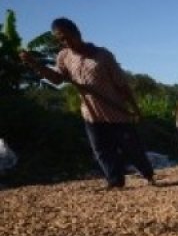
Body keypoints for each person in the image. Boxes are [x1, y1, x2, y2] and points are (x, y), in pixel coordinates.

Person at [19, 18, 156, 189]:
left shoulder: (103, 55)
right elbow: (56, 79)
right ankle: (115, 182)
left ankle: (148, 175)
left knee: (131, 148)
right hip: (91, 114)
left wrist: (135, 109)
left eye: (68, 37)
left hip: (116, 112)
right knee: (101, 150)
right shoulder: (64, 56)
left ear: (77, 33)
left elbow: (122, 85)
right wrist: (35, 64)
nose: (65, 42)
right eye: (60, 39)